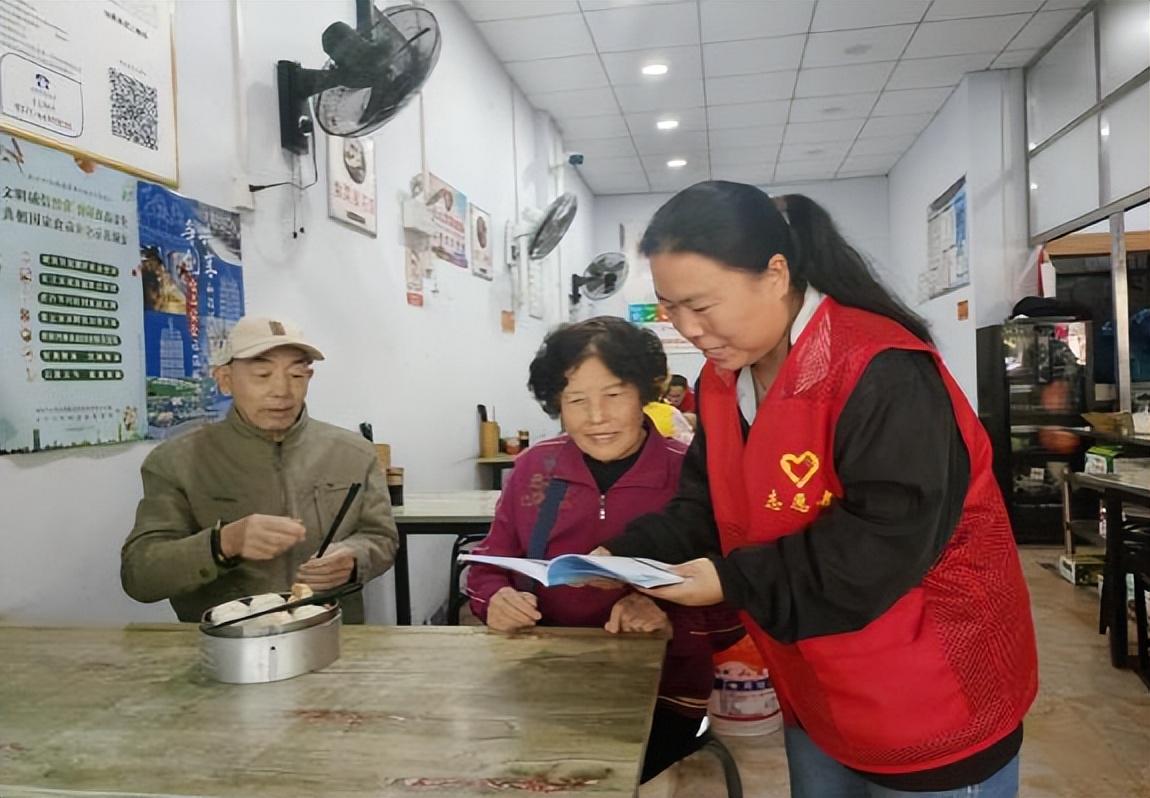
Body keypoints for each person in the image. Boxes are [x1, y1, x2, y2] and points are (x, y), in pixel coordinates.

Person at [596, 182, 1038, 797]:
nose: (688, 328)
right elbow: (706, 503)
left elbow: (881, 546)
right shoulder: (723, 380)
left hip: (930, 695)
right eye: (671, 307)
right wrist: (626, 555)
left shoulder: (881, 370)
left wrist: (730, 582)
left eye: (702, 304)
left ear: (775, 274)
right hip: (818, 689)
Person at [466, 316, 742, 784]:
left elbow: (736, 596)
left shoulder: (692, 475)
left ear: (644, 395)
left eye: (613, 395)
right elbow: (487, 565)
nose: (596, 417)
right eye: (576, 400)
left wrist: (667, 617)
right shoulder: (535, 467)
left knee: (603, 778)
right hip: (543, 677)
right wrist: (495, 600)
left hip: (665, 690)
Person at [122, 316, 398, 622]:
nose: (282, 391)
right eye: (263, 374)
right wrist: (222, 543)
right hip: (226, 647)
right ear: (224, 379)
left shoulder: (354, 453)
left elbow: (381, 537)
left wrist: (354, 559)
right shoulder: (176, 462)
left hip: (333, 637)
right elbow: (139, 575)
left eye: (296, 374)